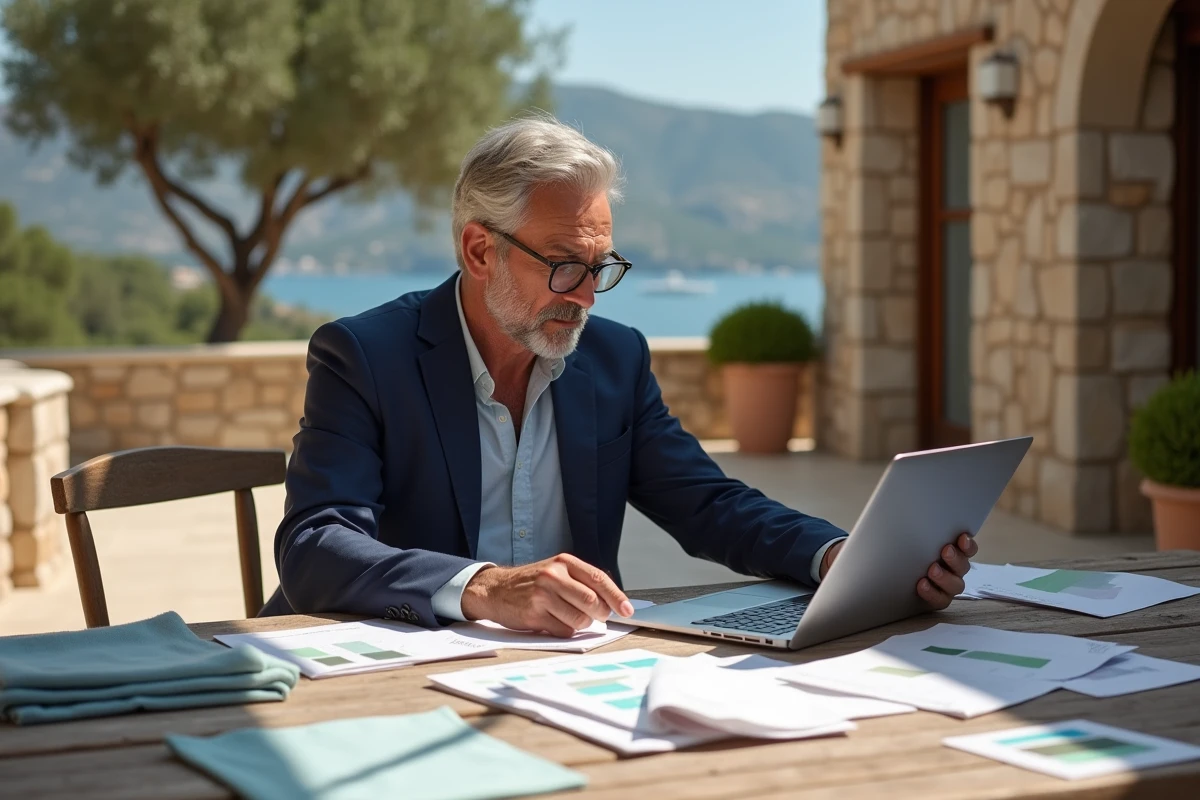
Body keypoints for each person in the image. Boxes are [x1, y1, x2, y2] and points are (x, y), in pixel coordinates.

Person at [259, 116, 978, 635]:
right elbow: (316, 547)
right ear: (481, 252)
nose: (585, 295)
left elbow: (708, 505)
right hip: (389, 672)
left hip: (564, 675)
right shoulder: (364, 354)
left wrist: (841, 557)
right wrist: (482, 587)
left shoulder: (613, 359)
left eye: (600, 268)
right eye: (565, 264)